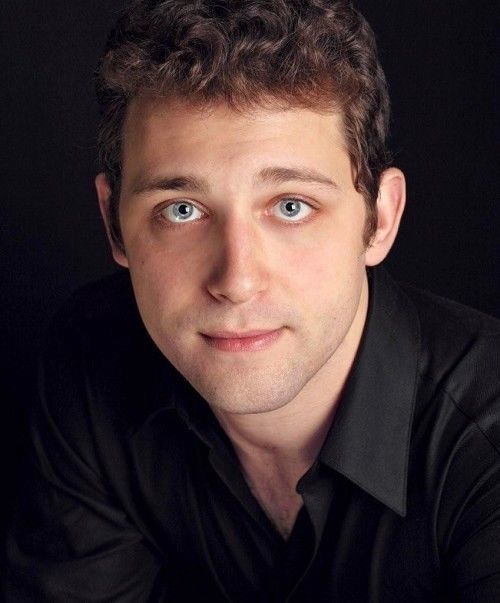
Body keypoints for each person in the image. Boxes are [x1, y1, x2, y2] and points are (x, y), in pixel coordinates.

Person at [2, 0, 499, 600]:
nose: (236, 280)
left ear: (380, 219)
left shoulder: (485, 446)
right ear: (114, 223)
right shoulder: (91, 362)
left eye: (291, 206)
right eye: (181, 210)